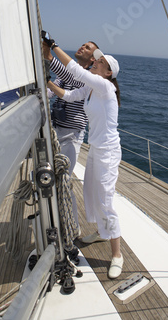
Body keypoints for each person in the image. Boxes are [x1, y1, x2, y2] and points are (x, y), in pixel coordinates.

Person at [45, 36, 123, 279]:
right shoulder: (90, 90)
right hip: (96, 150)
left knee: (106, 200)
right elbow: (67, 96)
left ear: (108, 72)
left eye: (100, 62)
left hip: (108, 152)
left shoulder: (105, 87)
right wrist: (46, 82)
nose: (96, 63)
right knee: (91, 193)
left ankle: (117, 255)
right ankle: (102, 231)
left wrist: (54, 45)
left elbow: (76, 70)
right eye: (96, 61)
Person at [42, 35, 99, 231]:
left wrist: (49, 56)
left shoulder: (89, 78)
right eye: (83, 44)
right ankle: (53, 222)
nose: (82, 47)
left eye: (87, 47)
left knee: (64, 181)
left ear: (93, 59)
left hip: (71, 134)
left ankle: (72, 227)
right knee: (50, 178)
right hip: (56, 130)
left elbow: (70, 77)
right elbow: (53, 89)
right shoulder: (68, 74)